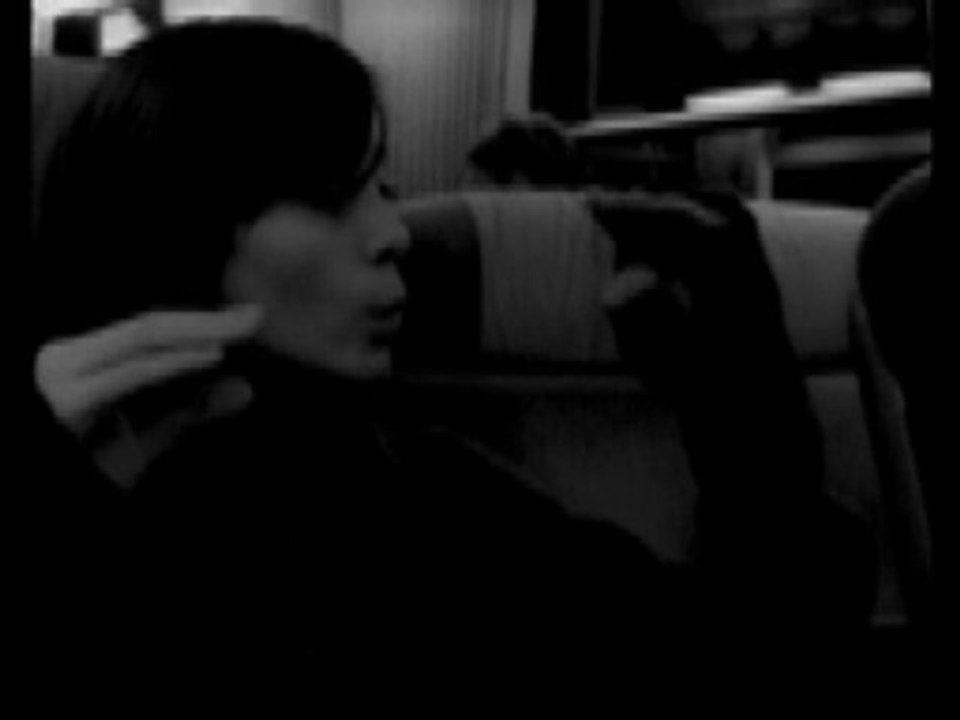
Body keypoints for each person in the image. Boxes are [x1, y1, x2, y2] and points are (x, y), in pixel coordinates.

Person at [29, 20, 873, 686]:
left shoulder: (427, 503)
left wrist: (742, 402)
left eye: (382, 187)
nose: (394, 232)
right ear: (172, 227)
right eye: (331, 195)